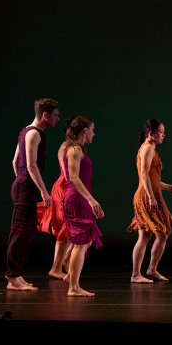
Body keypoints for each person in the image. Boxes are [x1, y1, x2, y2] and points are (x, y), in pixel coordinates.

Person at [5, 97, 61, 291]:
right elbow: (30, 165)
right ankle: (13, 277)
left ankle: (16, 275)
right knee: (20, 232)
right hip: (25, 188)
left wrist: (22, 181)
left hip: (24, 186)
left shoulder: (26, 132)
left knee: (26, 232)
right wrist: (43, 191)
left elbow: (15, 162)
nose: (57, 119)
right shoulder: (34, 134)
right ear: (45, 115)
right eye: (55, 115)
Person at [127, 119, 172, 283]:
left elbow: (153, 179)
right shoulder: (147, 148)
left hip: (152, 194)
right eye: (161, 132)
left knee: (155, 235)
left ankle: (150, 269)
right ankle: (137, 274)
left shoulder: (150, 148)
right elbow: (144, 174)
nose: (163, 135)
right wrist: (151, 197)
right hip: (147, 196)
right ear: (151, 133)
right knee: (150, 235)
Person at [61, 116, 104, 297]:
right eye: (92, 130)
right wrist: (91, 200)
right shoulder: (74, 150)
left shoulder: (78, 149)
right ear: (85, 130)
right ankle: (73, 287)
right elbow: (73, 177)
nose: (94, 133)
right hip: (77, 200)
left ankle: (69, 274)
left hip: (80, 199)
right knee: (81, 243)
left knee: (85, 241)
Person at [37, 134, 73, 279]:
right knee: (66, 227)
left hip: (68, 188)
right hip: (64, 189)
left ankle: (61, 263)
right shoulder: (66, 146)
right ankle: (58, 266)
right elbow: (67, 172)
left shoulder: (74, 147)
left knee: (68, 228)